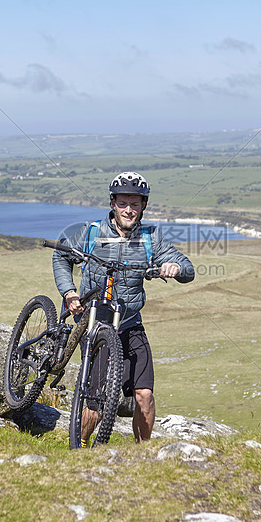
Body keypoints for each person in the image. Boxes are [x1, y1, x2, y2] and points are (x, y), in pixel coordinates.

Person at [52, 171, 195, 444]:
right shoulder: (90, 233)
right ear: (112, 203)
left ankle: (142, 454)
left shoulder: (152, 239)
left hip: (130, 323)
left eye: (135, 203)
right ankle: (78, 449)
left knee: (144, 395)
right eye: (123, 203)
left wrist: (175, 268)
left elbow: (188, 268)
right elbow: (60, 255)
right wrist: (69, 292)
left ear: (144, 205)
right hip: (94, 323)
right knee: (95, 402)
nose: (129, 209)